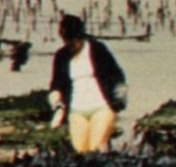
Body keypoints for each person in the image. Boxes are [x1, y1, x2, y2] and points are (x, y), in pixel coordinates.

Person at [48, 14, 127, 154]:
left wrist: (119, 98)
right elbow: (56, 85)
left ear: (81, 36)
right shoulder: (61, 56)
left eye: (74, 40)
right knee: (80, 152)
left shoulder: (98, 49)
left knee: (96, 149)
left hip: (102, 107)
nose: (71, 45)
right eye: (67, 41)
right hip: (76, 111)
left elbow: (117, 75)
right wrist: (58, 105)